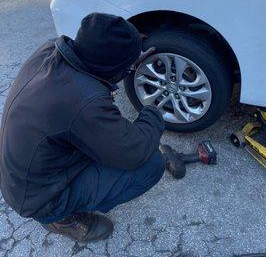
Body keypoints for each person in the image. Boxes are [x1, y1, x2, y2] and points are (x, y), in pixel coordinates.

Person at [0, 13, 166, 243]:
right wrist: (152, 114)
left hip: (21, 173)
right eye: (127, 69)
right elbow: (134, 152)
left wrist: (128, 57)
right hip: (38, 197)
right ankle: (59, 218)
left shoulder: (49, 50)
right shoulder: (85, 103)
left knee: (105, 141)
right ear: (111, 67)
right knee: (151, 164)